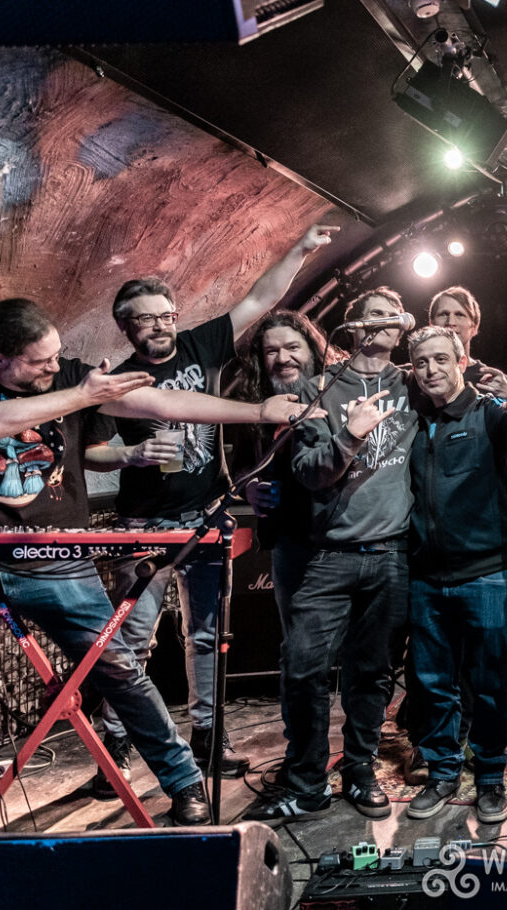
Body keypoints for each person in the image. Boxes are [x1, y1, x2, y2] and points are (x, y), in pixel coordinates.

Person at [0, 298, 306, 831]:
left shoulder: (71, 376)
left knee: (122, 672)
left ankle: (184, 782)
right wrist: (83, 395)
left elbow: (162, 402)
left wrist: (257, 412)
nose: (55, 367)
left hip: (57, 564)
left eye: (57, 357)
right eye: (41, 361)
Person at [87, 224, 337, 788]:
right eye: (146, 319)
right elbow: (89, 453)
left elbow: (260, 299)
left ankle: (208, 737)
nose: (159, 326)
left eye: (166, 315)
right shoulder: (114, 380)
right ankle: (117, 744)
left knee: (207, 636)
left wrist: (300, 250)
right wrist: (130, 454)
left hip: (204, 517)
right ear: (125, 327)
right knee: (132, 639)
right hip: (143, 526)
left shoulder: (202, 346)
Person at [244, 288, 416, 822]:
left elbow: (465, 374)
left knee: (372, 673)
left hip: (390, 555)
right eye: (375, 315)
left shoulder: (412, 384)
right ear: (354, 326)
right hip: (327, 554)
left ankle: (360, 771)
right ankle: (306, 782)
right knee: (303, 667)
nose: (386, 323)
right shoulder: (316, 390)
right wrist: (351, 436)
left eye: (394, 316)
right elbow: (310, 472)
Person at [401, 326, 507, 825]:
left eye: (441, 359)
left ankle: (490, 778)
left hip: (485, 573)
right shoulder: (412, 418)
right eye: (421, 362)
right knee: (432, 683)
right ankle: (443, 773)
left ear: (461, 361)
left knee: (489, 684)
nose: (431, 370)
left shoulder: (489, 413)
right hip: (425, 576)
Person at [231, 311, 344, 775]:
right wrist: (249, 489)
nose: (282, 358)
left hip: (347, 539)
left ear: (312, 348)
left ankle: (359, 756)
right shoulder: (254, 403)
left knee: (357, 656)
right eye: (271, 350)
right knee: (299, 655)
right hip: (292, 544)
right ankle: (303, 756)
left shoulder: (339, 389)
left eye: (292, 347)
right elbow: (240, 468)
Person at [428, 286, 507, 396]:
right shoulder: (413, 376)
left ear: (474, 327)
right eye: (444, 314)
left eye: (459, 315)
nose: (450, 322)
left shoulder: (496, 382)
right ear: (431, 324)